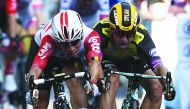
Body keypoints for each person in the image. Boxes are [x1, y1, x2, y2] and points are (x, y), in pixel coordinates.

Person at [93, 2, 176, 109]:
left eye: (129, 35)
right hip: (108, 60)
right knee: (110, 81)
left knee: (156, 87)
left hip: (132, 60)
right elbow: (94, 61)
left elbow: (158, 66)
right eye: (120, 33)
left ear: (135, 30)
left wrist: (169, 86)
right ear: (111, 29)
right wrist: (100, 81)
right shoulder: (100, 30)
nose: (124, 39)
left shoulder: (141, 34)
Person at [25, 10, 103, 109]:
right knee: (41, 97)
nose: (71, 48)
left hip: (67, 58)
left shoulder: (91, 36)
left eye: (75, 42)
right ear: (57, 40)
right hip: (46, 52)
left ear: (81, 35)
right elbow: (36, 68)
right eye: (65, 45)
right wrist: (33, 89)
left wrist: (92, 82)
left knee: (74, 81)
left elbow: (95, 62)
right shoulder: (49, 40)